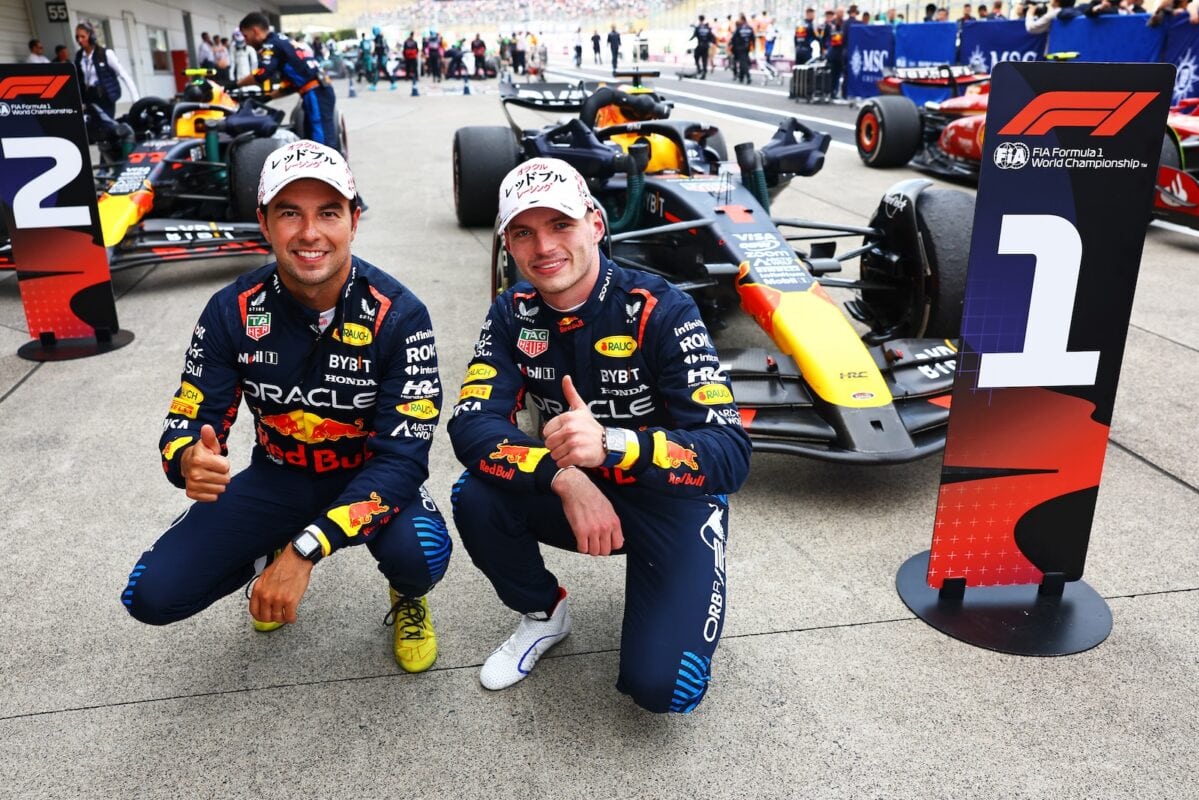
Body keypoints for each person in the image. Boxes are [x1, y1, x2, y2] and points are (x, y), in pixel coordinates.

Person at [121, 140, 450, 674]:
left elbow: (404, 460)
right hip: (278, 476)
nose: (309, 233)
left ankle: (405, 596)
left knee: (422, 555)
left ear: (354, 220)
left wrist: (304, 554)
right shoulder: (231, 309)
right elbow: (189, 416)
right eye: (289, 213)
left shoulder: (401, 314)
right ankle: (267, 552)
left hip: (369, 478)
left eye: (328, 213)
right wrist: (185, 458)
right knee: (151, 597)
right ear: (265, 223)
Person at [447, 158, 751, 713]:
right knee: (475, 495)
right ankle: (544, 613)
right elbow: (470, 424)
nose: (543, 247)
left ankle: (668, 580)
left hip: (671, 499)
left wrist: (615, 444)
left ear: (595, 224)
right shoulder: (512, 313)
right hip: (575, 484)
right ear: (508, 246)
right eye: (523, 232)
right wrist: (563, 476)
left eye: (559, 225)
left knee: (666, 690)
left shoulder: (663, 308)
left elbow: (730, 455)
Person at [237, 13, 340, 153]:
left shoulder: (271, 44)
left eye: (245, 36)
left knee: (321, 140)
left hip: (316, 93)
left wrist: (236, 84)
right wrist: (267, 97)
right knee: (311, 135)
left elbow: (262, 74)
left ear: (255, 31)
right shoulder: (281, 40)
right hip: (317, 91)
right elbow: (293, 85)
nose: (246, 41)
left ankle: (328, 171)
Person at [74, 22, 139, 119]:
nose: (80, 40)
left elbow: (123, 74)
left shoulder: (105, 54)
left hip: (105, 97)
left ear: (91, 36)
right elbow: (78, 80)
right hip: (89, 98)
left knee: (106, 127)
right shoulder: (79, 56)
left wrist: (136, 99)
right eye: (77, 37)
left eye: (83, 37)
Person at [730, 13, 754, 83]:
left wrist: (733, 48)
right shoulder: (750, 28)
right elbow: (753, 39)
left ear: (742, 20)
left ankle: (748, 76)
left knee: (743, 63)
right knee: (742, 62)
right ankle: (741, 77)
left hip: (739, 48)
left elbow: (733, 39)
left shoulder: (739, 28)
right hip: (747, 48)